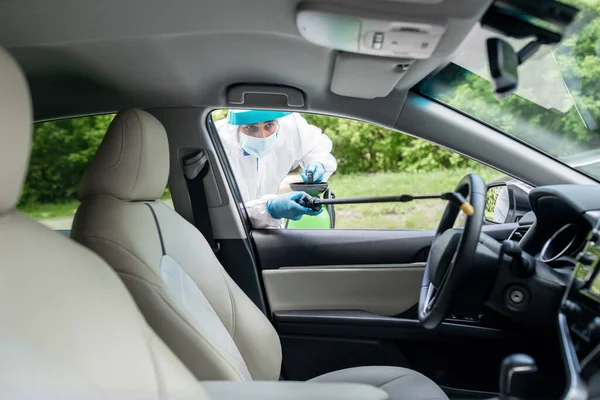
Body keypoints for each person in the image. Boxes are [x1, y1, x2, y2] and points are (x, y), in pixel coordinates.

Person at [216, 110, 337, 228]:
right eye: (251, 128)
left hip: (270, 230)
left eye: (269, 125)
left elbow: (316, 146)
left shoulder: (289, 127)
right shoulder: (216, 144)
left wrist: (318, 163)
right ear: (236, 128)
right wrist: (269, 209)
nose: (262, 136)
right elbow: (222, 215)